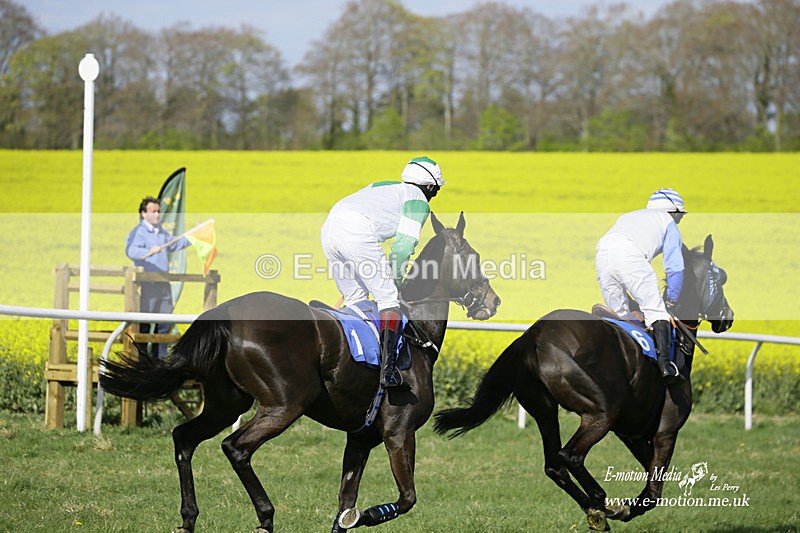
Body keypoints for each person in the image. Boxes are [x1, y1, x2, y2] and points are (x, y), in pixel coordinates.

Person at [321, 156, 445, 388]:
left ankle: (352, 365)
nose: (433, 197)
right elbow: (403, 246)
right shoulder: (418, 199)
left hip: (329, 229)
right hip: (356, 231)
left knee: (357, 301)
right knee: (388, 301)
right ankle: (388, 373)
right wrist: (395, 283)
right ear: (429, 187)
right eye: (435, 191)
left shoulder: (384, 186)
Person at [595, 188, 686, 382]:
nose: (679, 221)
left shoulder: (629, 216)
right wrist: (672, 298)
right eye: (679, 217)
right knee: (657, 312)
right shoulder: (668, 222)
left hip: (602, 253)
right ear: (674, 211)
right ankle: (665, 366)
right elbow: (675, 268)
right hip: (629, 255)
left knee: (620, 316)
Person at [125, 196, 191, 359]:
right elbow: (130, 250)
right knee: (146, 324)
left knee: (165, 322)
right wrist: (147, 251)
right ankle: (142, 360)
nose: (157, 215)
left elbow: (174, 244)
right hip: (148, 283)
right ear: (143, 213)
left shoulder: (161, 232)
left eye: (158, 211)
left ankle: (159, 359)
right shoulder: (138, 232)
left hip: (163, 282)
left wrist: (192, 237)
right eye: (153, 211)